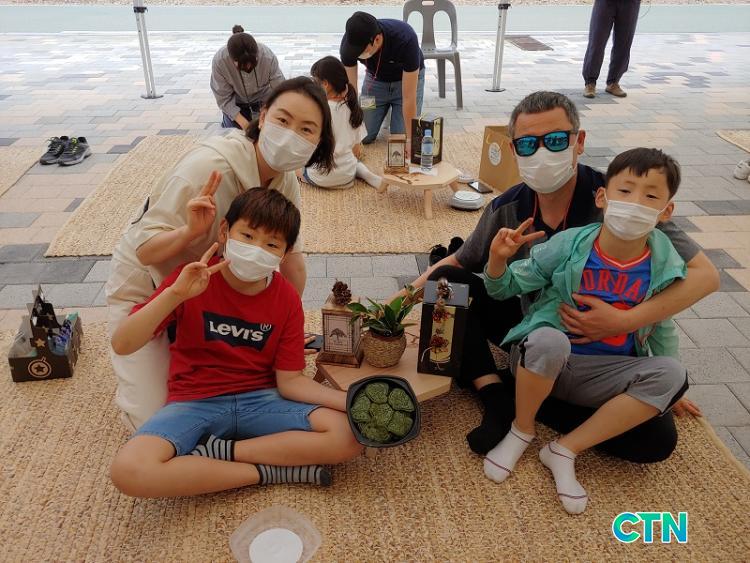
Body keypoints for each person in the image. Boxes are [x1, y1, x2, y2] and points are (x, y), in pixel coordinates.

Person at [403, 91, 718, 459]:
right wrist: (395, 304)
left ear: (578, 142)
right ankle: (495, 394)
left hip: (600, 351)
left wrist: (625, 323)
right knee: (447, 284)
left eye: (555, 140)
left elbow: (706, 276)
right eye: (528, 144)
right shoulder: (508, 206)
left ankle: (529, 394)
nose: (542, 153)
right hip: (532, 326)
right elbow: (460, 261)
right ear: (514, 149)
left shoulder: (624, 198)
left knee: (656, 439)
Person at [106, 77, 335, 432]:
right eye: (283, 120)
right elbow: (146, 251)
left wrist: (284, 331)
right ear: (263, 116)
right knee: (150, 422)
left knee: (247, 387)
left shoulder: (286, 179)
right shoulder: (209, 167)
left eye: (306, 129)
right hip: (153, 285)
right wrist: (189, 233)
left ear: (319, 142)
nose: (291, 135)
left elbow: (292, 260)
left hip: (211, 293)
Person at [109, 188, 363, 497]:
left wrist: (352, 401)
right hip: (193, 401)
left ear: (283, 254)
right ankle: (266, 472)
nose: (256, 249)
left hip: (262, 399)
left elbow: (291, 382)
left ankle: (221, 453)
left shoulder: (286, 299)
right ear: (225, 231)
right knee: (129, 470)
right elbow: (123, 344)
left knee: (349, 435)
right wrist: (175, 294)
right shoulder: (190, 279)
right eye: (248, 235)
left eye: (271, 244)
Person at [482, 148, 694, 514]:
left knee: (674, 374)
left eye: (650, 196)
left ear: (666, 211)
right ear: (602, 197)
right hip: (549, 361)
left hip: (605, 377)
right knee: (548, 339)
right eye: (624, 190)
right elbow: (505, 288)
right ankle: (522, 428)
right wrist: (498, 260)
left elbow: (662, 326)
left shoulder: (666, 265)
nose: (634, 203)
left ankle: (564, 449)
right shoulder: (569, 244)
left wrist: (669, 393)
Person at [340, 11, 425, 147]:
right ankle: (383, 109)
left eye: (360, 50)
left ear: (377, 40)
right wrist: (350, 132)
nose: (356, 54)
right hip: (375, 82)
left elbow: (409, 97)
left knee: (400, 138)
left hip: (405, 81)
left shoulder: (405, 38)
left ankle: (393, 111)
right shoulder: (348, 44)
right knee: (362, 134)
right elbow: (351, 91)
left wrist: (411, 140)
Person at [298, 56, 382, 190]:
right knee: (354, 161)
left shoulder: (317, 110)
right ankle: (365, 174)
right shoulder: (353, 108)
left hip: (321, 177)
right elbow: (356, 150)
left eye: (315, 81)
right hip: (347, 175)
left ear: (325, 84)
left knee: (293, 167)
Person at [211, 25, 285, 130]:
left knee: (274, 129)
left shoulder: (267, 56)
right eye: (242, 64)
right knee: (234, 133)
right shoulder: (220, 61)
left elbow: (280, 89)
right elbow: (223, 99)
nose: (248, 67)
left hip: (264, 100)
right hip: (236, 103)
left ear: (257, 55)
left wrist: (269, 110)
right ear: (232, 59)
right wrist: (246, 126)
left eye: (252, 62)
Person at [582, 0, 641, 99]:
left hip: (630, 3)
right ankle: (590, 83)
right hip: (605, 3)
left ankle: (613, 82)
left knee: (624, 44)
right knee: (597, 41)